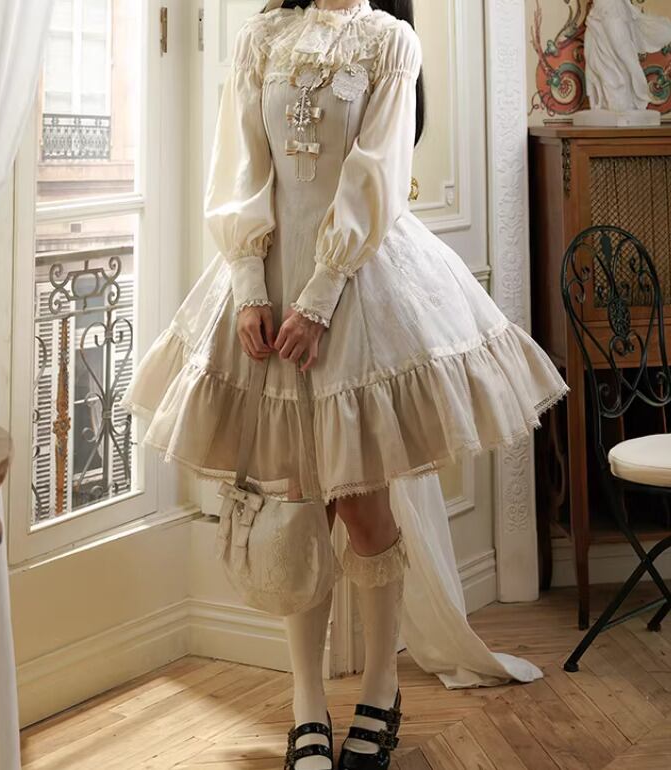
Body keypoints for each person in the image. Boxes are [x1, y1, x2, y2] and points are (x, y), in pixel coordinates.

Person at [121, 1, 568, 768]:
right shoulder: (261, 36)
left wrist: (320, 298)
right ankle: (306, 705)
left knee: (363, 509)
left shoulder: (391, 41)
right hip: (264, 288)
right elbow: (240, 164)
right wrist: (249, 285)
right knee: (296, 507)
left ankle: (380, 691)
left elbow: (377, 175)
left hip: (358, 286)